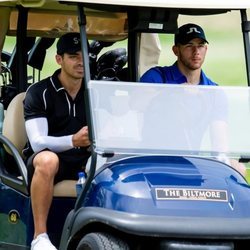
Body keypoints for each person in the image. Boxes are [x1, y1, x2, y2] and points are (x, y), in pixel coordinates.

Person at [140, 23, 246, 176]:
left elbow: (219, 142)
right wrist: (172, 94)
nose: (196, 52)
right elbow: (137, 103)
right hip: (152, 161)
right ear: (176, 50)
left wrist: (229, 162)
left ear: (206, 49)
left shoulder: (214, 91)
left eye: (201, 45)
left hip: (190, 163)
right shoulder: (157, 77)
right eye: (189, 45)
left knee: (237, 172)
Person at [23, 32, 91, 250]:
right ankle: (40, 237)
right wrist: (73, 140)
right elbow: (37, 142)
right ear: (59, 59)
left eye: (85, 55)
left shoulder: (94, 91)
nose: (81, 61)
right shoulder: (39, 92)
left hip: (83, 157)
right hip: (49, 160)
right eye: (73, 56)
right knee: (48, 160)